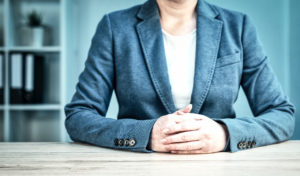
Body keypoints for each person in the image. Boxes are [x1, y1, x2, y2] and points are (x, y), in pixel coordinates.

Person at [64, 0, 295, 154]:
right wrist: (144, 134)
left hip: (221, 174)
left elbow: (282, 116)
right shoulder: (115, 27)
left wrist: (225, 134)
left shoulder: (239, 26)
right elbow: (78, 117)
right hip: (137, 171)